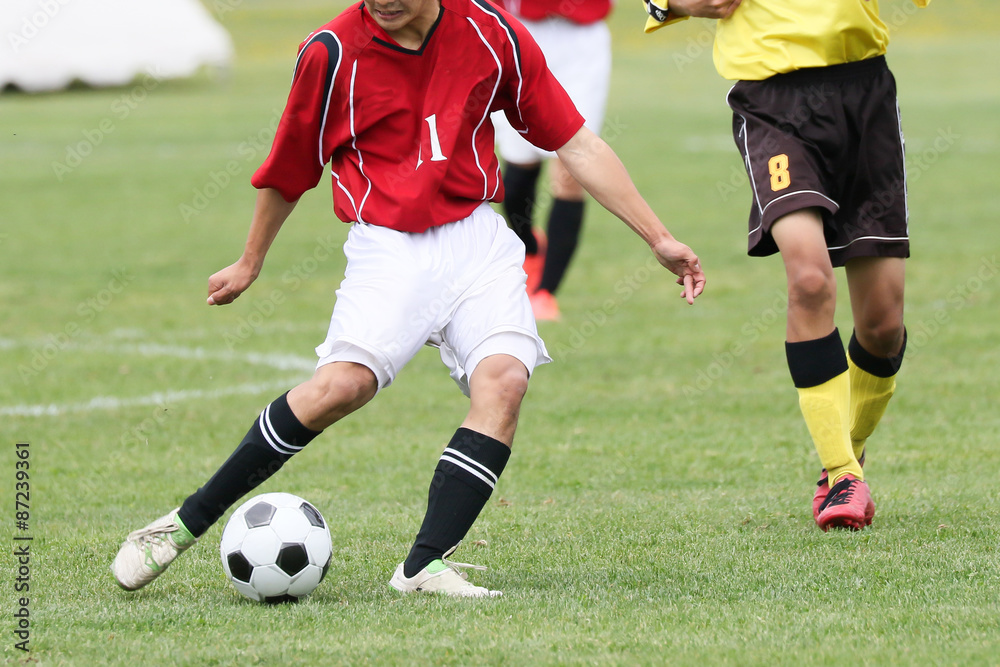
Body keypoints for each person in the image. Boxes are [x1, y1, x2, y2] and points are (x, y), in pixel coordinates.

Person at [111, 0, 705, 598]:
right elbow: (290, 170)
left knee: (504, 382)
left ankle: (423, 565)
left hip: (476, 238)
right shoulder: (331, 52)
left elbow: (576, 143)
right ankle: (180, 526)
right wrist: (250, 261)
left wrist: (659, 237)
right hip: (388, 248)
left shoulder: (490, 30)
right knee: (341, 387)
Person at [644, 0, 931, 531]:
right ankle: (845, 475)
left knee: (883, 326)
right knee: (808, 279)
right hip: (772, 100)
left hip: (864, 93)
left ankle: (841, 458)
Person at [491, 0, 614, 321]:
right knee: (519, 169)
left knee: (573, 169)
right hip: (519, 30)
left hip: (580, 38)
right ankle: (530, 247)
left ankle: (546, 293)